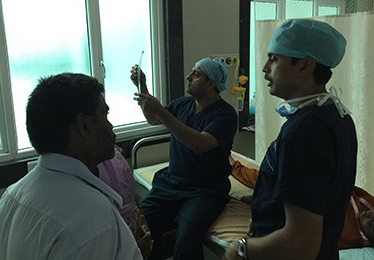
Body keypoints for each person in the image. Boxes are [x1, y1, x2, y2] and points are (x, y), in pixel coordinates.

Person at [224, 19, 357, 260]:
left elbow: (299, 244)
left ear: (305, 66)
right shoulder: (337, 114)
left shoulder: (305, 132)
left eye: (274, 59)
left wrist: (242, 249)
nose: (265, 67)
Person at [0, 73, 143, 259]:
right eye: (105, 115)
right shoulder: (92, 218)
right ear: (84, 126)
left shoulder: (13, 194)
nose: (110, 126)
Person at [130, 57, 238, 259]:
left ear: (211, 83)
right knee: (139, 228)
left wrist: (161, 110)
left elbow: (199, 144)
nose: (189, 77)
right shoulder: (183, 104)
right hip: (172, 183)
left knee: (186, 241)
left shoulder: (225, 115)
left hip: (204, 190)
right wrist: (142, 85)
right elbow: (153, 119)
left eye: (196, 74)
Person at [230, 157, 374, 249]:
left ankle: (235, 169)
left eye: (373, 223)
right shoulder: (368, 205)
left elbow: (303, 233)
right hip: (318, 189)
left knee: (277, 180)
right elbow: (346, 186)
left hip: (300, 202)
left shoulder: (347, 236)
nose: (370, 215)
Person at [97, 145, 153, 258]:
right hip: (118, 237)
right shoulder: (87, 168)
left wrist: (140, 217)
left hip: (134, 226)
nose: (109, 127)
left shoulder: (113, 153)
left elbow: (129, 190)